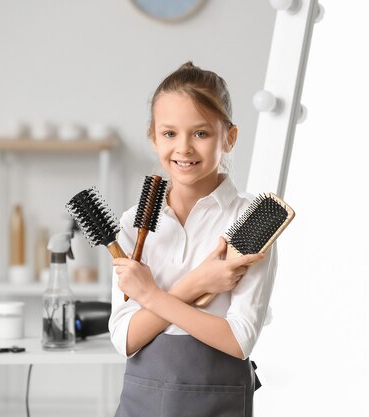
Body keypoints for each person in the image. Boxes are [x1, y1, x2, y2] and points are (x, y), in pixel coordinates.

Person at [109, 61, 277, 417]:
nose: (183, 148)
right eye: (169, 133)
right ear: (153, 137)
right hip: (142, 399)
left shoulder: (251, 218)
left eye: (201, 133)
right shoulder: (133, 224)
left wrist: (151, 295)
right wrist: (197, 283)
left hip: (219, 400)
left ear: (229, 137)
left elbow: (237, 340)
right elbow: (125, 339)